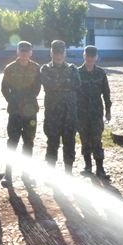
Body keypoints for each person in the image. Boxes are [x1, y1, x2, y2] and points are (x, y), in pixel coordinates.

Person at [0, 40, 40, 186]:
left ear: (31, 53)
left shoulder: (36, 68)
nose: (24, 54)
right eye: (21, 51)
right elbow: (4, 88)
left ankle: (26, 175)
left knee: (28, 143)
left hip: (30, 112)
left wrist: (27, 101)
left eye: (26, 51)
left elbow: (37, 88)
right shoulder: (10, 68)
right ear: (17, 52)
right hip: (15, 111)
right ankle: (8, 175)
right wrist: (13, 101)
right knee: (12, 142)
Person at [40, 40, 80, 174]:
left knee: (69, 145)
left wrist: (57, 84)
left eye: (61, 53)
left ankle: (68, 173)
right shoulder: (45, 69)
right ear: (51, 53)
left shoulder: (73, 69)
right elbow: (48, 85)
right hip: (53, 116)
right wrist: (65, 83)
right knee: (52, 145)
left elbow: (76, 84)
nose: (58, 55)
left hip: (70, 116)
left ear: (65, 54)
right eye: (56, 52)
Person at [77, 45, 112, 181]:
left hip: (97, 113)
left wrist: (108, 110)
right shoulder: (77, 73)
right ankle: (87, 166)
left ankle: (100, 168)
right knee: (85, 140)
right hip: (82, 113)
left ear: (96, 57)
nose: (90, 58)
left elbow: (106, 92)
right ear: (84, 56)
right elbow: (73, 93)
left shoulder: (101, 73)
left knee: (97, 140)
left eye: (92, 56)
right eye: (88, 55)